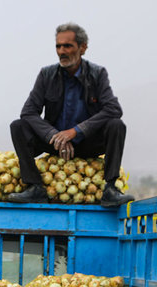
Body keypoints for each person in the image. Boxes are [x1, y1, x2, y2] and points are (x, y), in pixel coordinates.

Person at [8, 22, 134, 207]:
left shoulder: (97, 74)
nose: (61, 51)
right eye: (58, 46)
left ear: (82, 48)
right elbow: (28, 112)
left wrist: (75, 132)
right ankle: (35, 187)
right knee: (18, 126)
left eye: (67, 46)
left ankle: (110, 189)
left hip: (87, 142)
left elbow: (113, 109)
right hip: (55, 144)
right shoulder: (47, 74)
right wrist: (53, 135)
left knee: (116, 125)